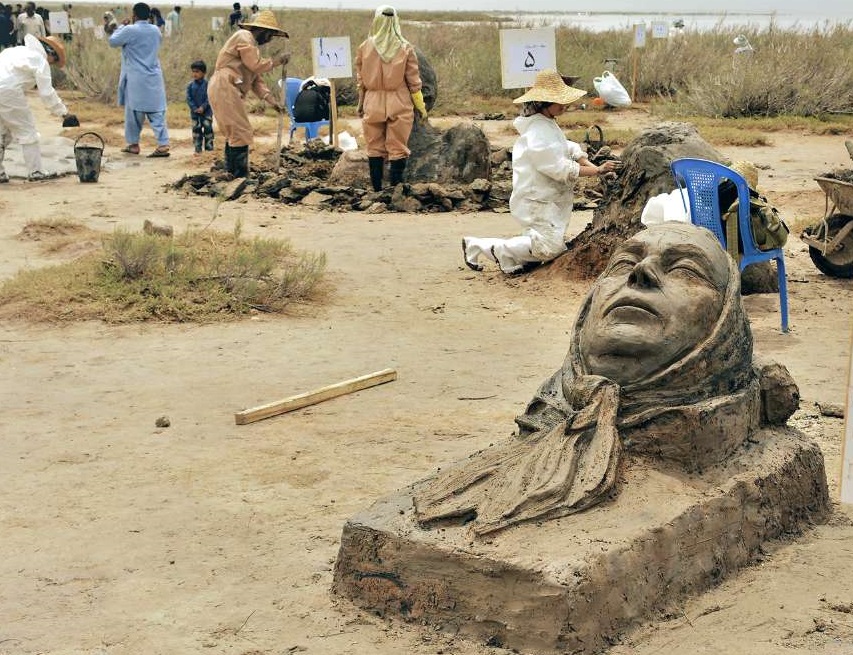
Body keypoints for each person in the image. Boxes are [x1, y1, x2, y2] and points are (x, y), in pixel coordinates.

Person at [415, 223, 764, 536]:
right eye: (623, 263)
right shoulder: (553, 407)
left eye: (685, 269)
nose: (641, 272)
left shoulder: (716, 427)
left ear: (726, 320)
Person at [461, 69, 622, 275]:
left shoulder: (546, 124)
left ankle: (509, 260)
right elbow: (557, 167)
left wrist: (588, 163)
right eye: (559, 101)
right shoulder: (538, 131)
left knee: (541, 240)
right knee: (550, 247)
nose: (565, 106)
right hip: (536, 199)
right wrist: (597, 170)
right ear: (543, 103)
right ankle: (486, 247)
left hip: (543, 197)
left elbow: (567, 146)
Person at [207, 9, 287, 178]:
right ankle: (238, 174)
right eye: (270, 35)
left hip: (227, 87)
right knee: (240, 131)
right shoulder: (244, 36)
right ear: (263, 31)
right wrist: (277, 61)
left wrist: (273, 103)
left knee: (235, 131)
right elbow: (256, 66)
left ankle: (231, 171)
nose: (270, 39)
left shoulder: (250, 46)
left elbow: (256, 81)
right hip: (225, 85)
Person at [355, 4, 425, 191]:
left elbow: (361, 80)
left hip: (372, 100)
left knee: (374, 146)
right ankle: (396, 189)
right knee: (398, 146)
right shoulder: (405, 48)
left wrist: (360, 104)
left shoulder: (365, 47)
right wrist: (421, 107)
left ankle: (376, 189)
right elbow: (414, 82)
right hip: (399, 100)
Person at [0, 33, 73, 181]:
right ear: (50, 53)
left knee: (3, 132)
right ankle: (36, 172)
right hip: (8, 91)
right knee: (27, 131)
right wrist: (64, 113)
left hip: (5, 88)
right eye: (54, 60)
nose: (52, 63)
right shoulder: (40, 61)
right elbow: (46, 92)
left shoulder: (15, 51)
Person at [108, 2, 170, 157]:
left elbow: (113, 41)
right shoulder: (155, 30)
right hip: (154, 77)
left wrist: (122, 26)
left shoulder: (129, 30)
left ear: (134, 15)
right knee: (157, 113)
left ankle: (133, 145)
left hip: (136, 78)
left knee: (133, 114)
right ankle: (163, 145)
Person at [186, 59, 213, 153]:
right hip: (195, 114)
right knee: (196, 131)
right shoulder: (190, 86)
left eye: (197, 72)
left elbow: (209, 98)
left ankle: (209, 150)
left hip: (206, 113)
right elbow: (189, 99)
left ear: (204, 73)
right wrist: (194, 108)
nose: (194, 74)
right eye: (193, 72)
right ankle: (197, 150)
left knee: (208, 131)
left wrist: (203, 107)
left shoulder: (208, 85)